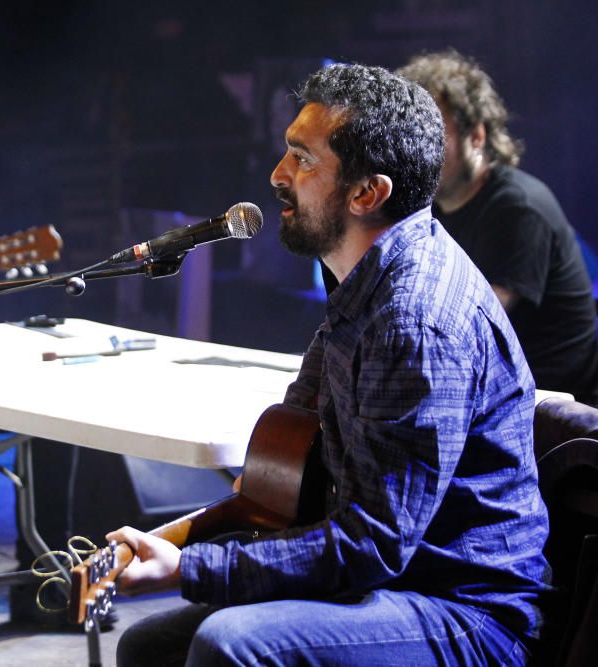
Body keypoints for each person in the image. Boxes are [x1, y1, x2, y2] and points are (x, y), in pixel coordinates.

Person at [111, 63, 550, 666]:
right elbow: (290, 448)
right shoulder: (362, 278)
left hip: (464, 609)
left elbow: (375, 543)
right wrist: (168, 544)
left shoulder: (412, 320)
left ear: (367, 193)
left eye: (303, 159)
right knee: (147, 647)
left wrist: (191, 567)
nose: (276, 175)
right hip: (392, 580)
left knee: (228, 647)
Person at [398, 49, 598, 406]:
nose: (419, 148)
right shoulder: (428, 209)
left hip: (554, 411)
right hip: (495, 394)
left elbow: (470, 326)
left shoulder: (518, 206)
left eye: (434, 134)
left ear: (476, 136)